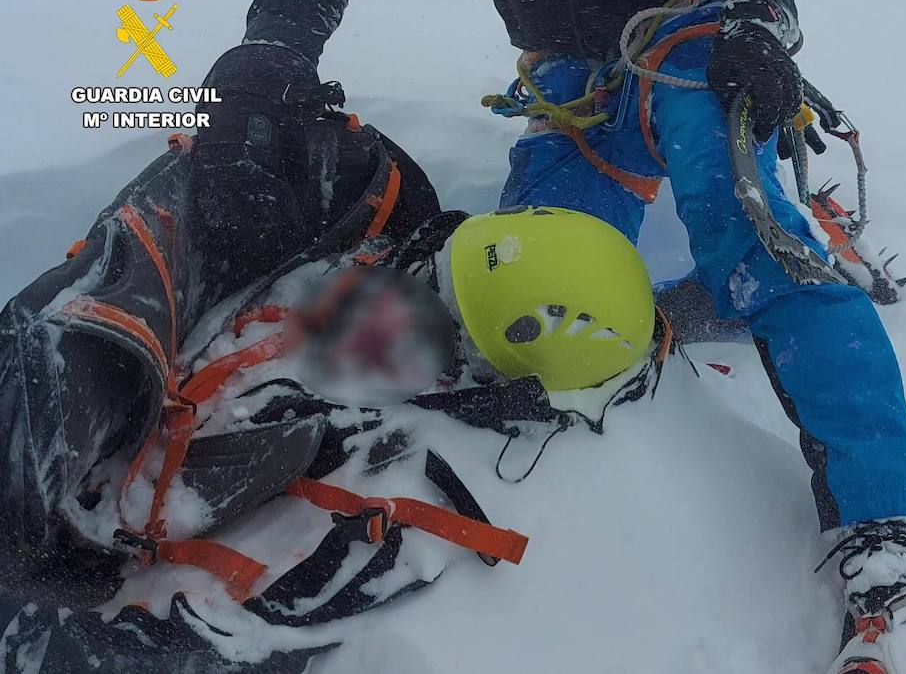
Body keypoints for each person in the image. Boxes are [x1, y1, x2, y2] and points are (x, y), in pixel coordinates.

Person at [203, 0, 906, 672]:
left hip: (693, 33)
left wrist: (758, 10)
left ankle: (896, 548)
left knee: (754, 238)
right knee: (525, 295)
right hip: (572, 74)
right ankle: (687, 311)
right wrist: (273, 50)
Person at [0, 89, 673, 670]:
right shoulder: (350, 209)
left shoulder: (367, 462)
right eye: (429, 270)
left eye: (440, 313)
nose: (406, 301)